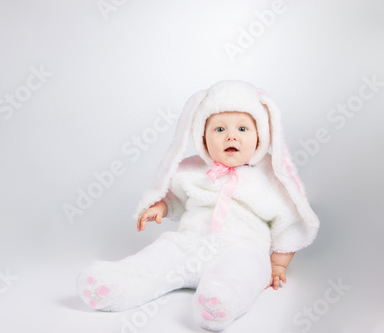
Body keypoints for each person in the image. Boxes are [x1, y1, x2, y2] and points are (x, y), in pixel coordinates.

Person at [77, 80, 319, 331]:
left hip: (241, 247)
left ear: (261, 135)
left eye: (243, 128)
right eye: (220, 129)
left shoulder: (269, 175)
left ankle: (221, 301)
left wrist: (277, 264)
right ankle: (115, 285)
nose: (231, 136)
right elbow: (175, 197)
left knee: (245, 271)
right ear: (202, 136)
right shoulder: (192, 169)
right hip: (188, 244)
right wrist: (159, 207)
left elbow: (289, 220)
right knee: (158, 256)